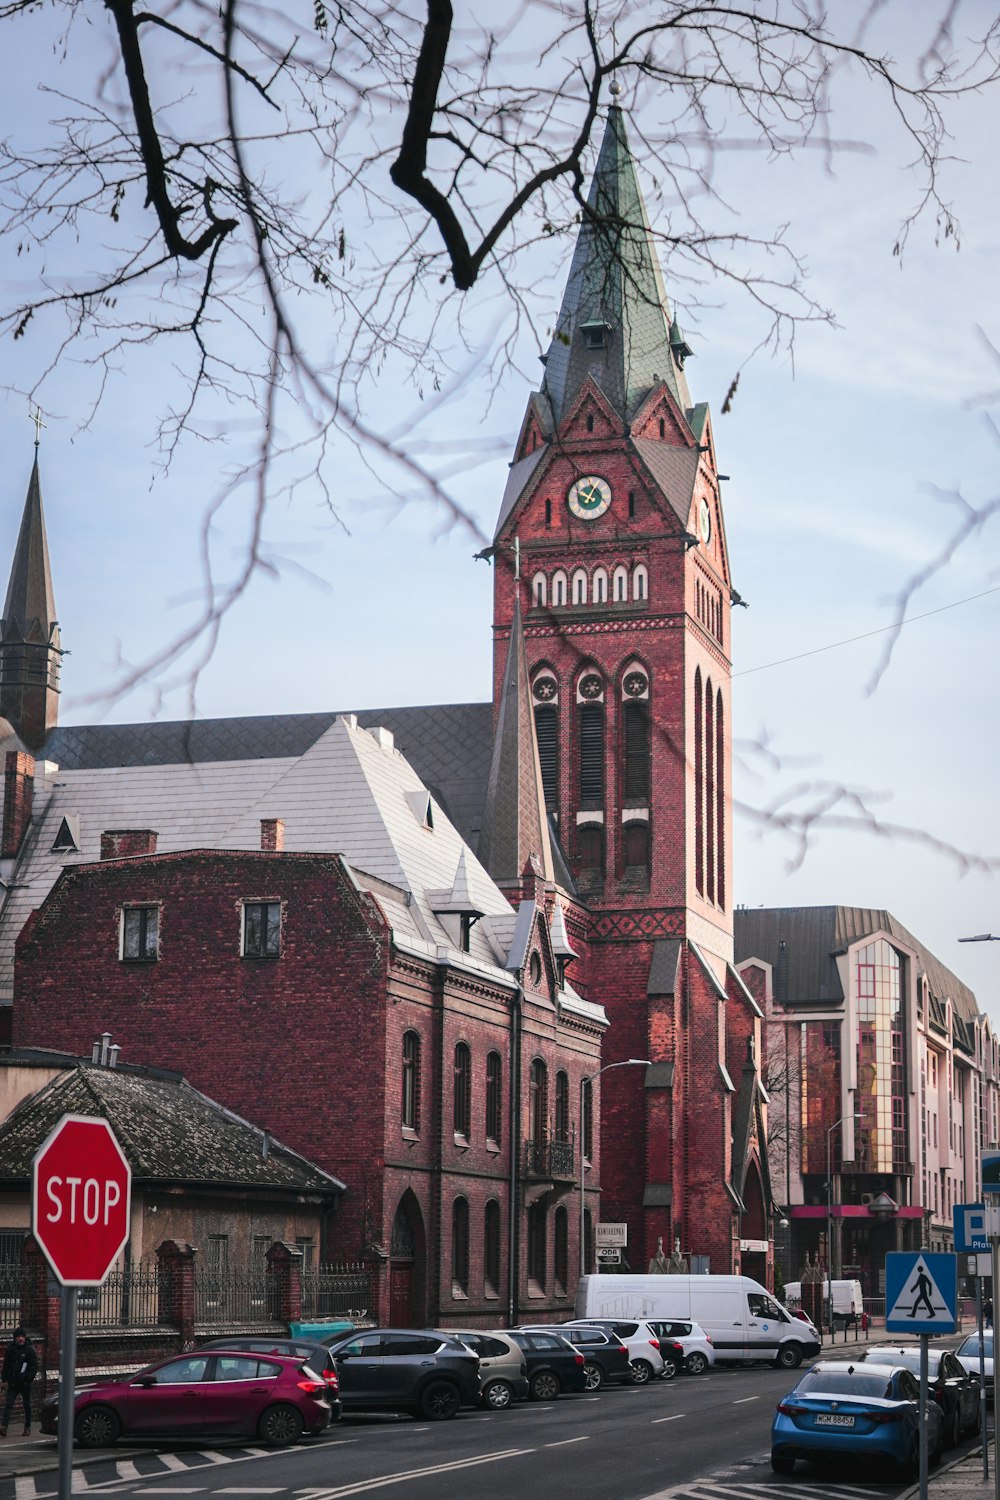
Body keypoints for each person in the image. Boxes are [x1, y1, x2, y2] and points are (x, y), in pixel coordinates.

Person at [1, 1327, 38, 1437]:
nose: (20, 1339)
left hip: (25, 1383)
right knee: (8, 1404)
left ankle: (27, 1427)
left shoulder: (29, 1349)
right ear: (15, 1338)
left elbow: (34, 1367)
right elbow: (6, 1364)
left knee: (26, 1404)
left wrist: (27, 1379)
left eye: (22, 1336)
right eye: (18, 1337)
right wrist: (4, 1379)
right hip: (13, 1382)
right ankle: (4, 1427)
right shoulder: (11, 1349)